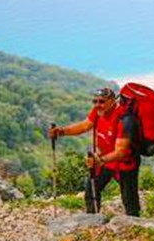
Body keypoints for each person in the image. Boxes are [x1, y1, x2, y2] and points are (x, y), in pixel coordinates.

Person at [48, 87, 141, 216]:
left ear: (113, 101)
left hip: (124, 163)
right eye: (95, 101)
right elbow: (85, 125)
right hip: (103, 160)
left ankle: (134, 224)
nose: (97, 105)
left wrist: (99, 160)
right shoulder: (98, 112)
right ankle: (92, 220)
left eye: (102, 101)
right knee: (91, 191)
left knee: (129, 198)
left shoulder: (124, 119)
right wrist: (62, 131)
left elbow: (121, 151)